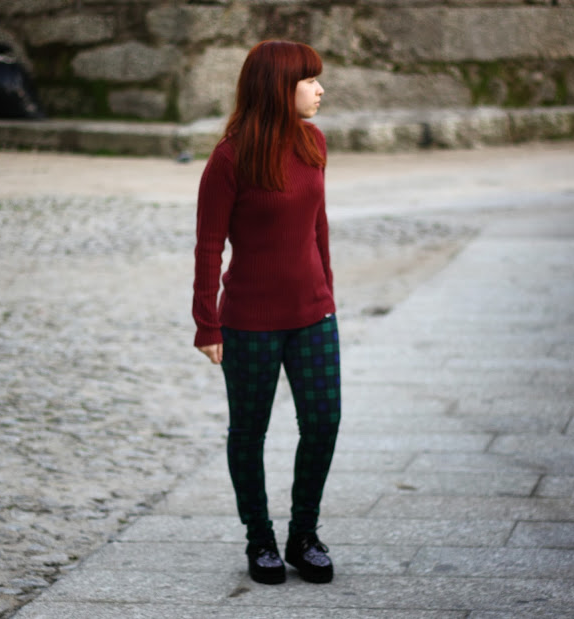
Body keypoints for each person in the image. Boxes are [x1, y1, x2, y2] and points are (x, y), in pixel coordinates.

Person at [192, 40, 340, 585]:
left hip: (313, 316)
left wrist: (326, 292)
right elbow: (209, 246)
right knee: (249, 431)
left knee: (323, 422)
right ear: (280, 87)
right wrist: (206, 324)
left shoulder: (313, 142)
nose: (319, 90)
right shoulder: (230, 158)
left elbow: (318, 224)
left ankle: (304, 536)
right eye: (309, 80)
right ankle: (260, 539)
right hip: (249, 321)